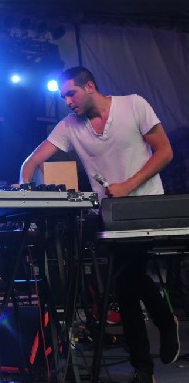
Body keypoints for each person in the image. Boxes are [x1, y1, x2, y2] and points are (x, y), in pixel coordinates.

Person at [20, 66, 179, 383]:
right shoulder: (69, 126)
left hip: (146, 206)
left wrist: (128, 185)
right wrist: (22, 188)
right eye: (63, 96)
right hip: (110, 215)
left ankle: (145, 363)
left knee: (125, 278)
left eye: (71, 94)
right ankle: (158, 332)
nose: (67, 102)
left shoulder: (133, 104)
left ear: (89, 86)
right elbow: (33, 160)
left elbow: (165, 152)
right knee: (126, 280)